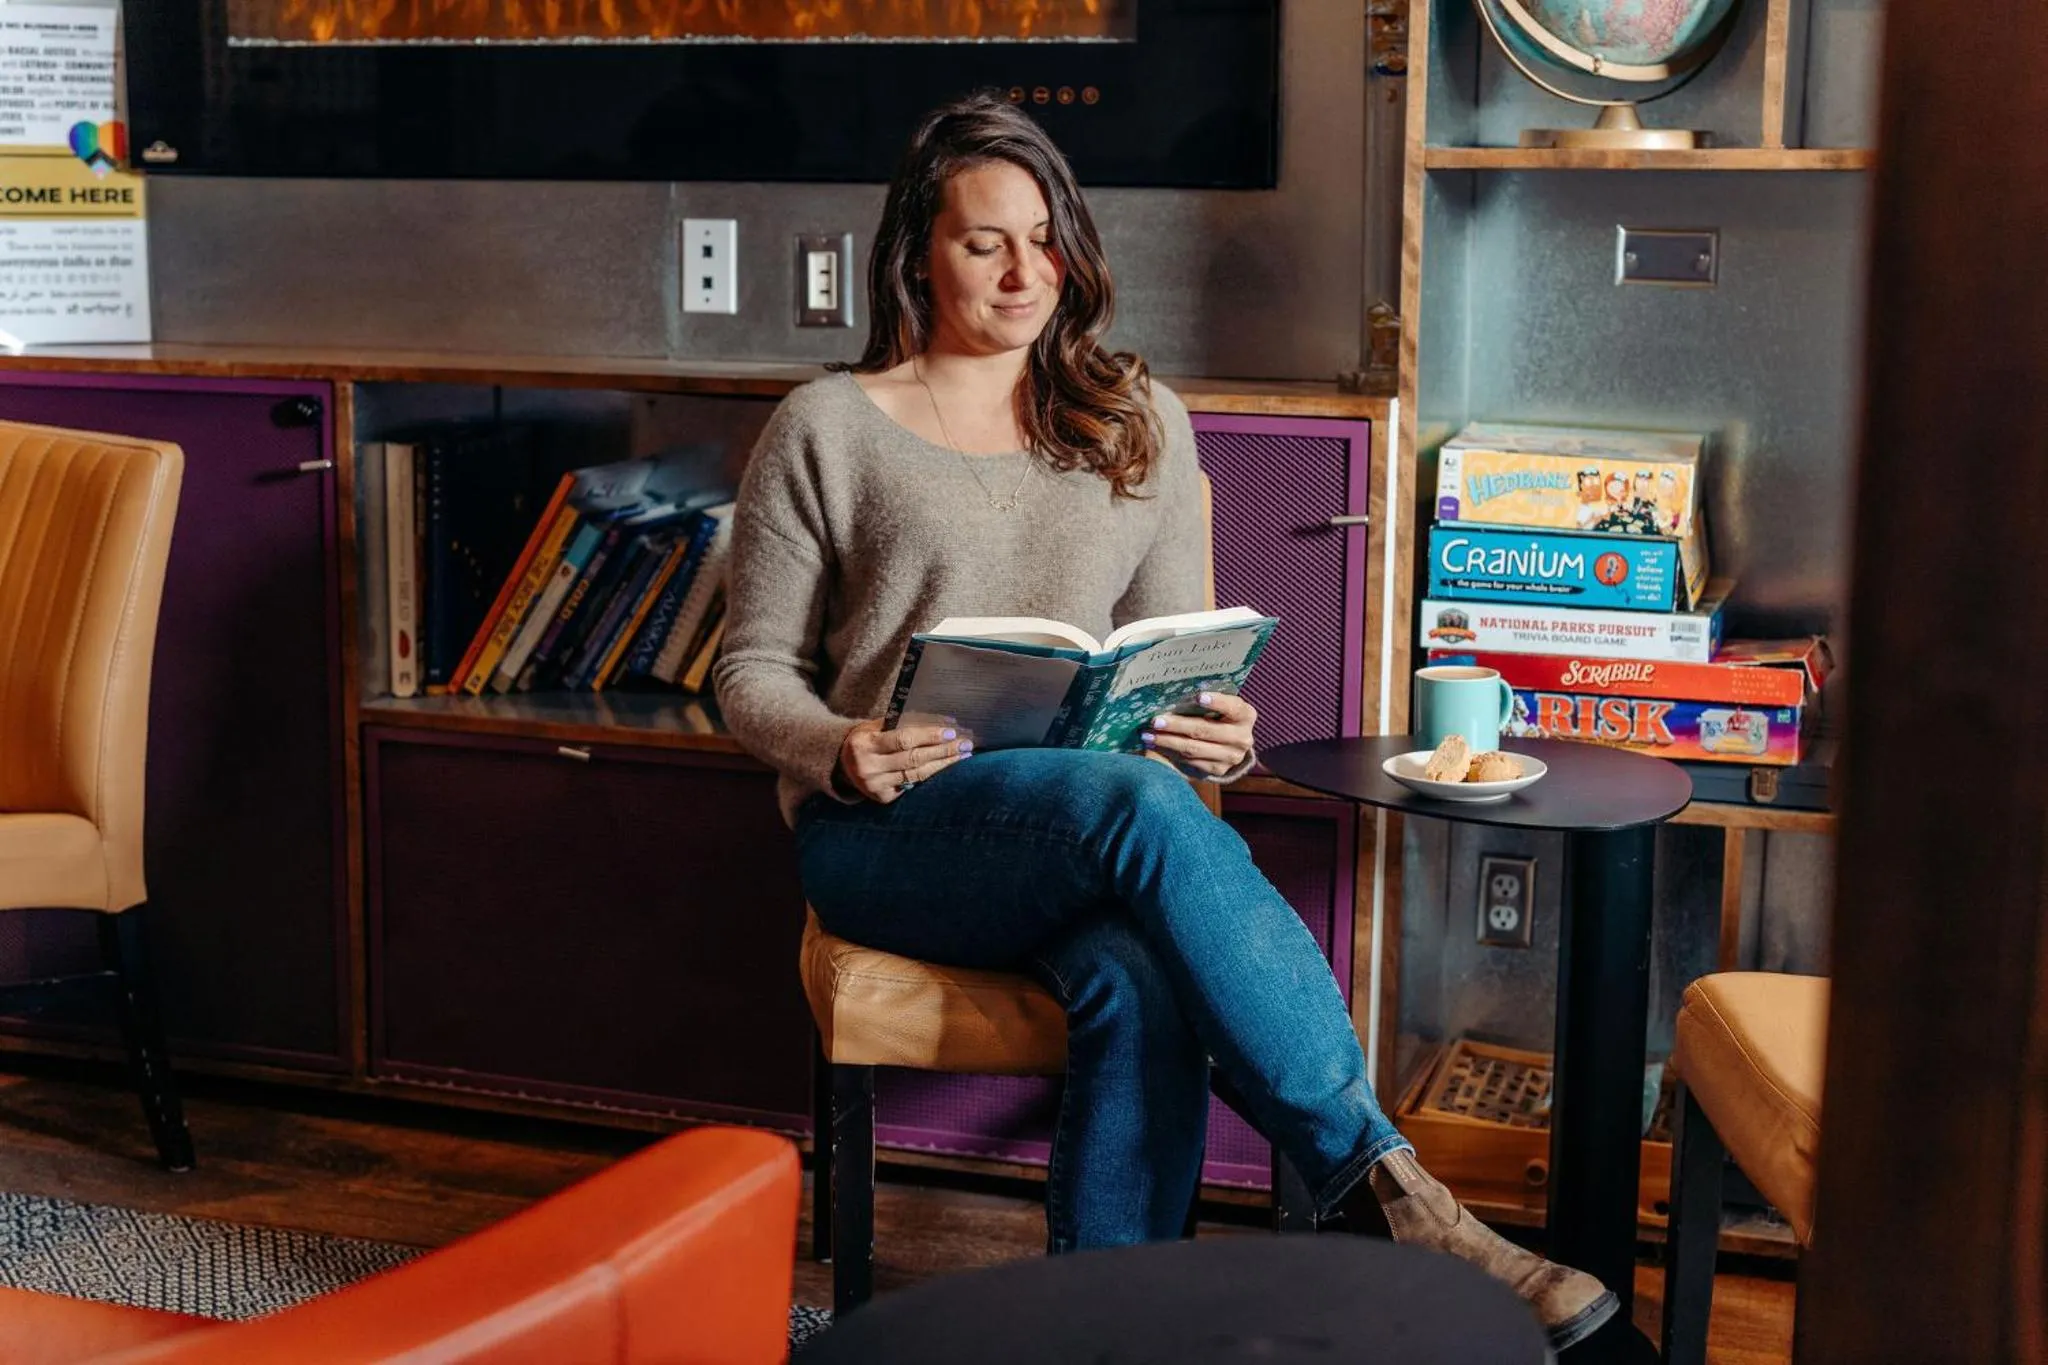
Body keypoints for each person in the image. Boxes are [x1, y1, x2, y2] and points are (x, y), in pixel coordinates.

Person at [712, 92, 1617, 1352]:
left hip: (1085, 825)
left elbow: (1176, 663)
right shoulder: (827, 426)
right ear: (915, 250)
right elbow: (745, 672)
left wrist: (1214, 735)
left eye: (1045, 236)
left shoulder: (1132, 417)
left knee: (1137, 971)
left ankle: (1106, 1329)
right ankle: (1387, 1189)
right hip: (892, 833)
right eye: (985, 242)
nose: (1027, 271)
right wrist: (836, 746)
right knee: (1128, 806)